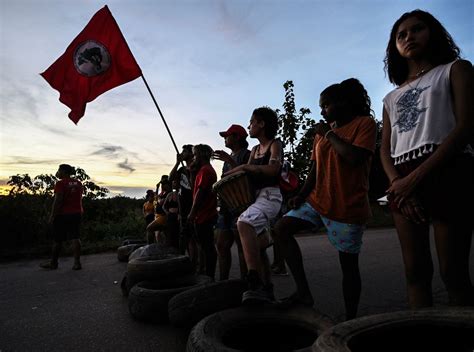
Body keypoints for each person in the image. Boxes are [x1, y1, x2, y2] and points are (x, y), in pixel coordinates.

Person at [380, 9, 474, 308]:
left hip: (449, 167)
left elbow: (465, 127)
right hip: (402, 178)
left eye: (417, 29)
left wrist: (414, 178)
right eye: (401, 35)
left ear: (432, 32)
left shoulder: (455, 69)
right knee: (415, 272)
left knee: (453, 272)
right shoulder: (391, 98)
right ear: (395, 47)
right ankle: (422, 337)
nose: (409, 37)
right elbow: (385, 148)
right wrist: (398, 182)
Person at [273, 79, 376, 320]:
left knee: (348, 267)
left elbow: (353, 157)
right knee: (281, 228)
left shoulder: (364, 124)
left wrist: (328, 133)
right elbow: (314, 168)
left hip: (348, 206)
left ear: (343, 103)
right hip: (317, 201)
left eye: (326, 105)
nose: (322, 111)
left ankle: (351, 319)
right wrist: (301, 194)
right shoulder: (322, 133)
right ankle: (303, 293)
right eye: (321, 106)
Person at [224, 107, 283, 304]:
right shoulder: (256, 150)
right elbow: (246, 175)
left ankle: (253, 280)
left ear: (262, 124)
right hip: (256, 198)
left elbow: (274, 170)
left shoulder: (275, 144)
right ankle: (268, 289)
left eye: (252, 122)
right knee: (257, 248)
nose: (249, 126)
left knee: (243, 223)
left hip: (270, 196)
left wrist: (246, 166)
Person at [213, 124, 251, 280]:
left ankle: (246, 283)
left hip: (241, 207)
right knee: (222, 245)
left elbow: (249, 175)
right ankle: (223, 282)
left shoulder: (247, 155)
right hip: (226, 208)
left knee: (243, 247)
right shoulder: (226, 160)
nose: (225, 139)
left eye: (227, 136)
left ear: (237, 137)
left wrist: (229, 159)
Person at [40, 164, 84, 270]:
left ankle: (53, 263)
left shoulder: (60, 183)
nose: (57, 172)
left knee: (58, 239)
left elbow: (58, 200)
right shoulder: (78, 183)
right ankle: (77, 263)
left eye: (59, 170)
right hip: (77, 213)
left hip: (63, 214)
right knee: (75, 237)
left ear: (63, 171)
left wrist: (52, 215)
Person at [187, 144, 218, 280]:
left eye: (195, 155)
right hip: (202, 214)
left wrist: (192, 213)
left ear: (200, 155)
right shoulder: (202, 171)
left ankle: (209, 275)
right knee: (204, 245)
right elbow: (194, 187)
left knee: (207, 247)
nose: (193, 157)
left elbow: (200, 193)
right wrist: (192, 172)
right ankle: (205, 272)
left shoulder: (206, 171)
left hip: (205, 214)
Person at [169, 144, 199, 264]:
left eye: (184, 151)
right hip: (183, 208)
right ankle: (191, 262)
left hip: (193, 206)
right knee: (186, 238)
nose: (182, 153)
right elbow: (171, 178)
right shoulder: (181, 169)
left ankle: (198, 264)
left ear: (191, 153)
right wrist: (177, 163)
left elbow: (195, 187)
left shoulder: (196, 168)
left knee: (195, 238)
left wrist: (190, 172)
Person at [146, 176, 170, 244]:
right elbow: (156, 197)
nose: (162, 186)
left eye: (164, 184)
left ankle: (149, 247)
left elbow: (161, 202)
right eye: (162, 184)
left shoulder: (168, 193)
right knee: (159, 235)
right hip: (157, 216)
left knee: (149, 228)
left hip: (162, 216)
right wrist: (157, 187)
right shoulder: (162, 193)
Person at [162, 179, 180, 250]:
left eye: (175, 183)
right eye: (172, 183)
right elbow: (164, 206)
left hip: (177, 217)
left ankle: (177, 250)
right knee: (170, 234)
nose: (173, 185)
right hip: (170, 216)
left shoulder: (179, 194)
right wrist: (167, 212)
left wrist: (179, 214)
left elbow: (180, 206)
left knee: (177, 234)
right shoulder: (169, 195)